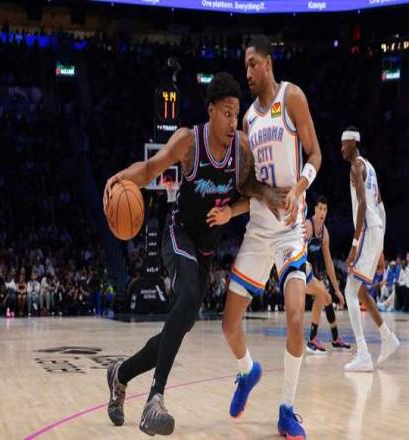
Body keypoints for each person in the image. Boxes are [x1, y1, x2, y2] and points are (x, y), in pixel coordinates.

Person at [103, 72, 283, 436]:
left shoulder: (242, 150)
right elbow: (150, 169)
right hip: (179, 233)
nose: (233, 121)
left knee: (181, 324)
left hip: (206, 248)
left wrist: (255, 201)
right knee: (186, 297)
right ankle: (155, 400)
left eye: (236, 114)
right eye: (227, 113)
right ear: (211, 110)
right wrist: (120, 178)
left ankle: (121, 373)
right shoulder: (189, 141)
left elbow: (249, 188)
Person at [221, 35, 322, 439]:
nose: (247, 72)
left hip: (290, 230)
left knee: (296, 318)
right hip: (258, 229)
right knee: (229, 325)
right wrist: (247, 201)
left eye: (252, 64)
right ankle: (247, 372)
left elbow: (315, 154)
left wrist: (298, 188)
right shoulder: (247, 120)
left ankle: (286, 410)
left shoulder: (291, 97)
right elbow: (247, 185)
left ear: (267, 62)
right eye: (244, 66)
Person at [340, 126, 400, 372]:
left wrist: (355, 244)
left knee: (349, 291)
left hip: (366, 231)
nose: (341, 148)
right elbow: (381, 207)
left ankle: (363, 353)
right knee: (361, 291)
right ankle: (387, 336)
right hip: (376, 231)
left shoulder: (356, 167)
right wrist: (381, 248)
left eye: (344, 144)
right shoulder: (371, 167)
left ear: (354, 142)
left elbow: (364, 204)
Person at [304, 195, 351, 355]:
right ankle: (313, 340)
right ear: (315, 210)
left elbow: (329, 263)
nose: (322, 212)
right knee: (323, 294)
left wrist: (338, 290)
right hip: (298, 269)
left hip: (310, 272)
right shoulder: (308, 226)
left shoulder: (324, 233)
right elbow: (298, 248)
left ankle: (332, 339)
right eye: (320, 208)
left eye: (325, 209)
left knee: (326, 297)